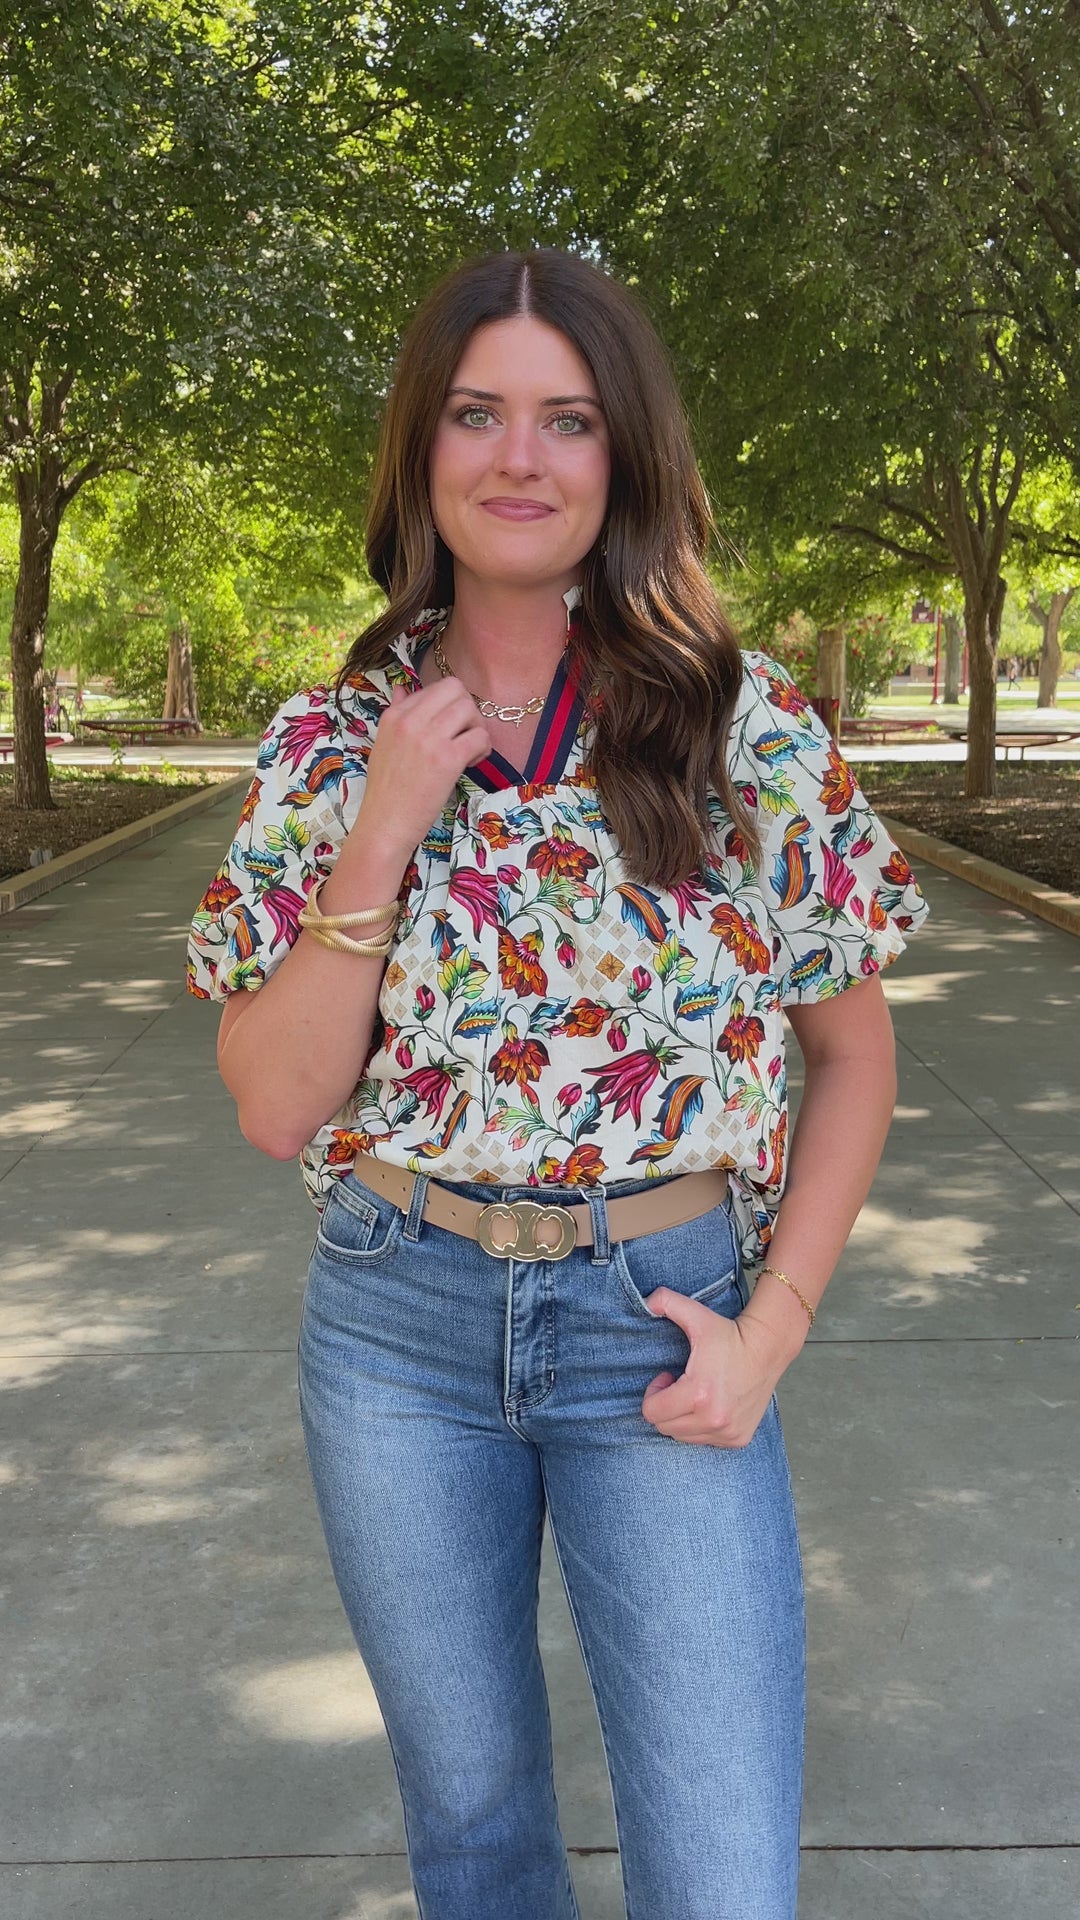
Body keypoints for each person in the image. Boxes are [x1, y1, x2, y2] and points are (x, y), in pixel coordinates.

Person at [187, 248, 929, 1920]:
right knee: (474, 1835)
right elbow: (271, 1103)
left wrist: (776, 1330)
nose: (519, 458)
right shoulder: (328, 742)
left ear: (625, 458)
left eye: (567, 420)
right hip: (397, 1328)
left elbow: (855, 1052)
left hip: (663, 1323)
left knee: (723, 1869)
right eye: (477, 413)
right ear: (421, 450)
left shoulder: (749, 733)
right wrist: (384, 815)